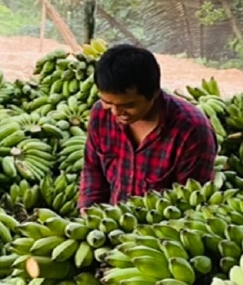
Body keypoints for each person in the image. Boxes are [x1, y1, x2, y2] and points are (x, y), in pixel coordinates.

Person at [79, 44, 217, 209]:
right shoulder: (101, 115)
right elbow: (93, 171)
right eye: (108, 102)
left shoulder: (192, 131)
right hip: (111, 223)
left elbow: (191, 203)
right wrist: (88, 212)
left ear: (154, 93)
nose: (115, 112)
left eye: (129, 105)